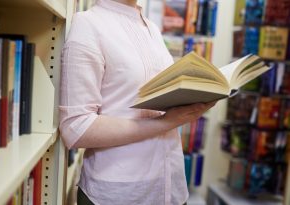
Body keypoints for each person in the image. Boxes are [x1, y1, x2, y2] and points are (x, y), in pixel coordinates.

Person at [59, 0, 216, 204]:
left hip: (172, 189)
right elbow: (76, 128)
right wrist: (168, 122)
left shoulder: (151, 28)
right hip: (120, 194)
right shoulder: (88, 24)